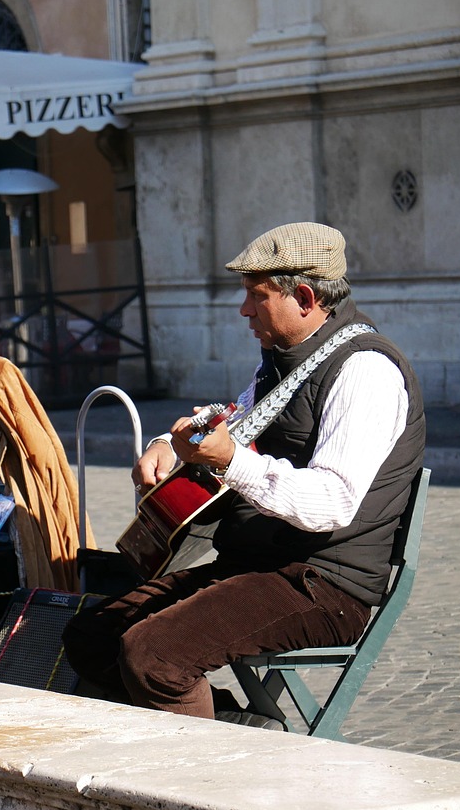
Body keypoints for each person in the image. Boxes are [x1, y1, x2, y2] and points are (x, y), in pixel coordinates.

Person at [62, 222, 426, 728]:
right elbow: (234, 422)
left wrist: (230, 460)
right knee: (90, 637)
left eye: (257, 296)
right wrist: (169, 445)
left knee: (154, 656)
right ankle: (245, 730)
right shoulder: (284, 363)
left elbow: (333, 501)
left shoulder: (366, 372)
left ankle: (213, 765)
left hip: (323, 583)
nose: (244, 310)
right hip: (258, 563)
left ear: (304, 298)